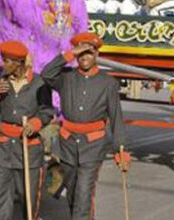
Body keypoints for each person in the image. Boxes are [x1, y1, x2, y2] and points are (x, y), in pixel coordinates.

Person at [40, 32, 130, 219]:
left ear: (97, 54)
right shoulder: (66, 78)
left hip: (93, 145)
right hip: (68, 143)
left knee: (83, 195)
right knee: (73, 194)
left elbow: (115, 117)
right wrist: (69, 54)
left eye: (89, 52)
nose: (85, 57)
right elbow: (46, 74)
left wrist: (120, 149)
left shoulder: (108, 83)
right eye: (81, 54)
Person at [0, 41, 53, 220]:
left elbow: (47, 111)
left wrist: (35, 123)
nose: (3, 65)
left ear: (18, 63)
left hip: (28, 148)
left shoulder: (40, 84)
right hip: (4, 147)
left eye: (6, 61)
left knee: (27, 195)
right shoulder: (2, 83)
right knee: (0, 194)